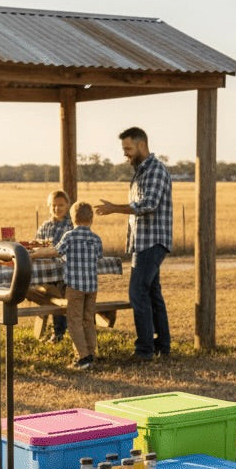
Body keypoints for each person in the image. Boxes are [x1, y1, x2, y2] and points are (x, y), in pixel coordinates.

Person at [95, 127, 172, 361]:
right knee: (152, 294)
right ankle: (162, 346)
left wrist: (114, 209)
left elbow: (148, 205)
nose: (125, 154)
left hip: (152, 241)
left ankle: (144, 350)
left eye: (128, 148)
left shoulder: (155, 170)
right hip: (143, 241)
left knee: (137, 293)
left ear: (141, 145)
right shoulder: (141, 171)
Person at [35, 201, 103, 370]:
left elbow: (55, 251)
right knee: (88, 320)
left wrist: (34, 255)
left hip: (74, 286)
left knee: (74, 321)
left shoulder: (69, 236)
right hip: (92, 287)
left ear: (72, 218)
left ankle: (83, 357)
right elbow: (98, 257)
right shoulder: (96, 239)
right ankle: (92, 353)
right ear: (91, 219)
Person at [36, 189, 74, 343]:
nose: (57, 209)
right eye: (53, 205)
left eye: (61, 205)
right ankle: (57, 330)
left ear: (67, 206)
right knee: (46, 293)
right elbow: (37, 244)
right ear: (49, 206)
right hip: (47, 270)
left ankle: (59, 331)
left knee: (59, 293)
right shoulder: (45, 226)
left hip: (66, 271)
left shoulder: (71, 225)